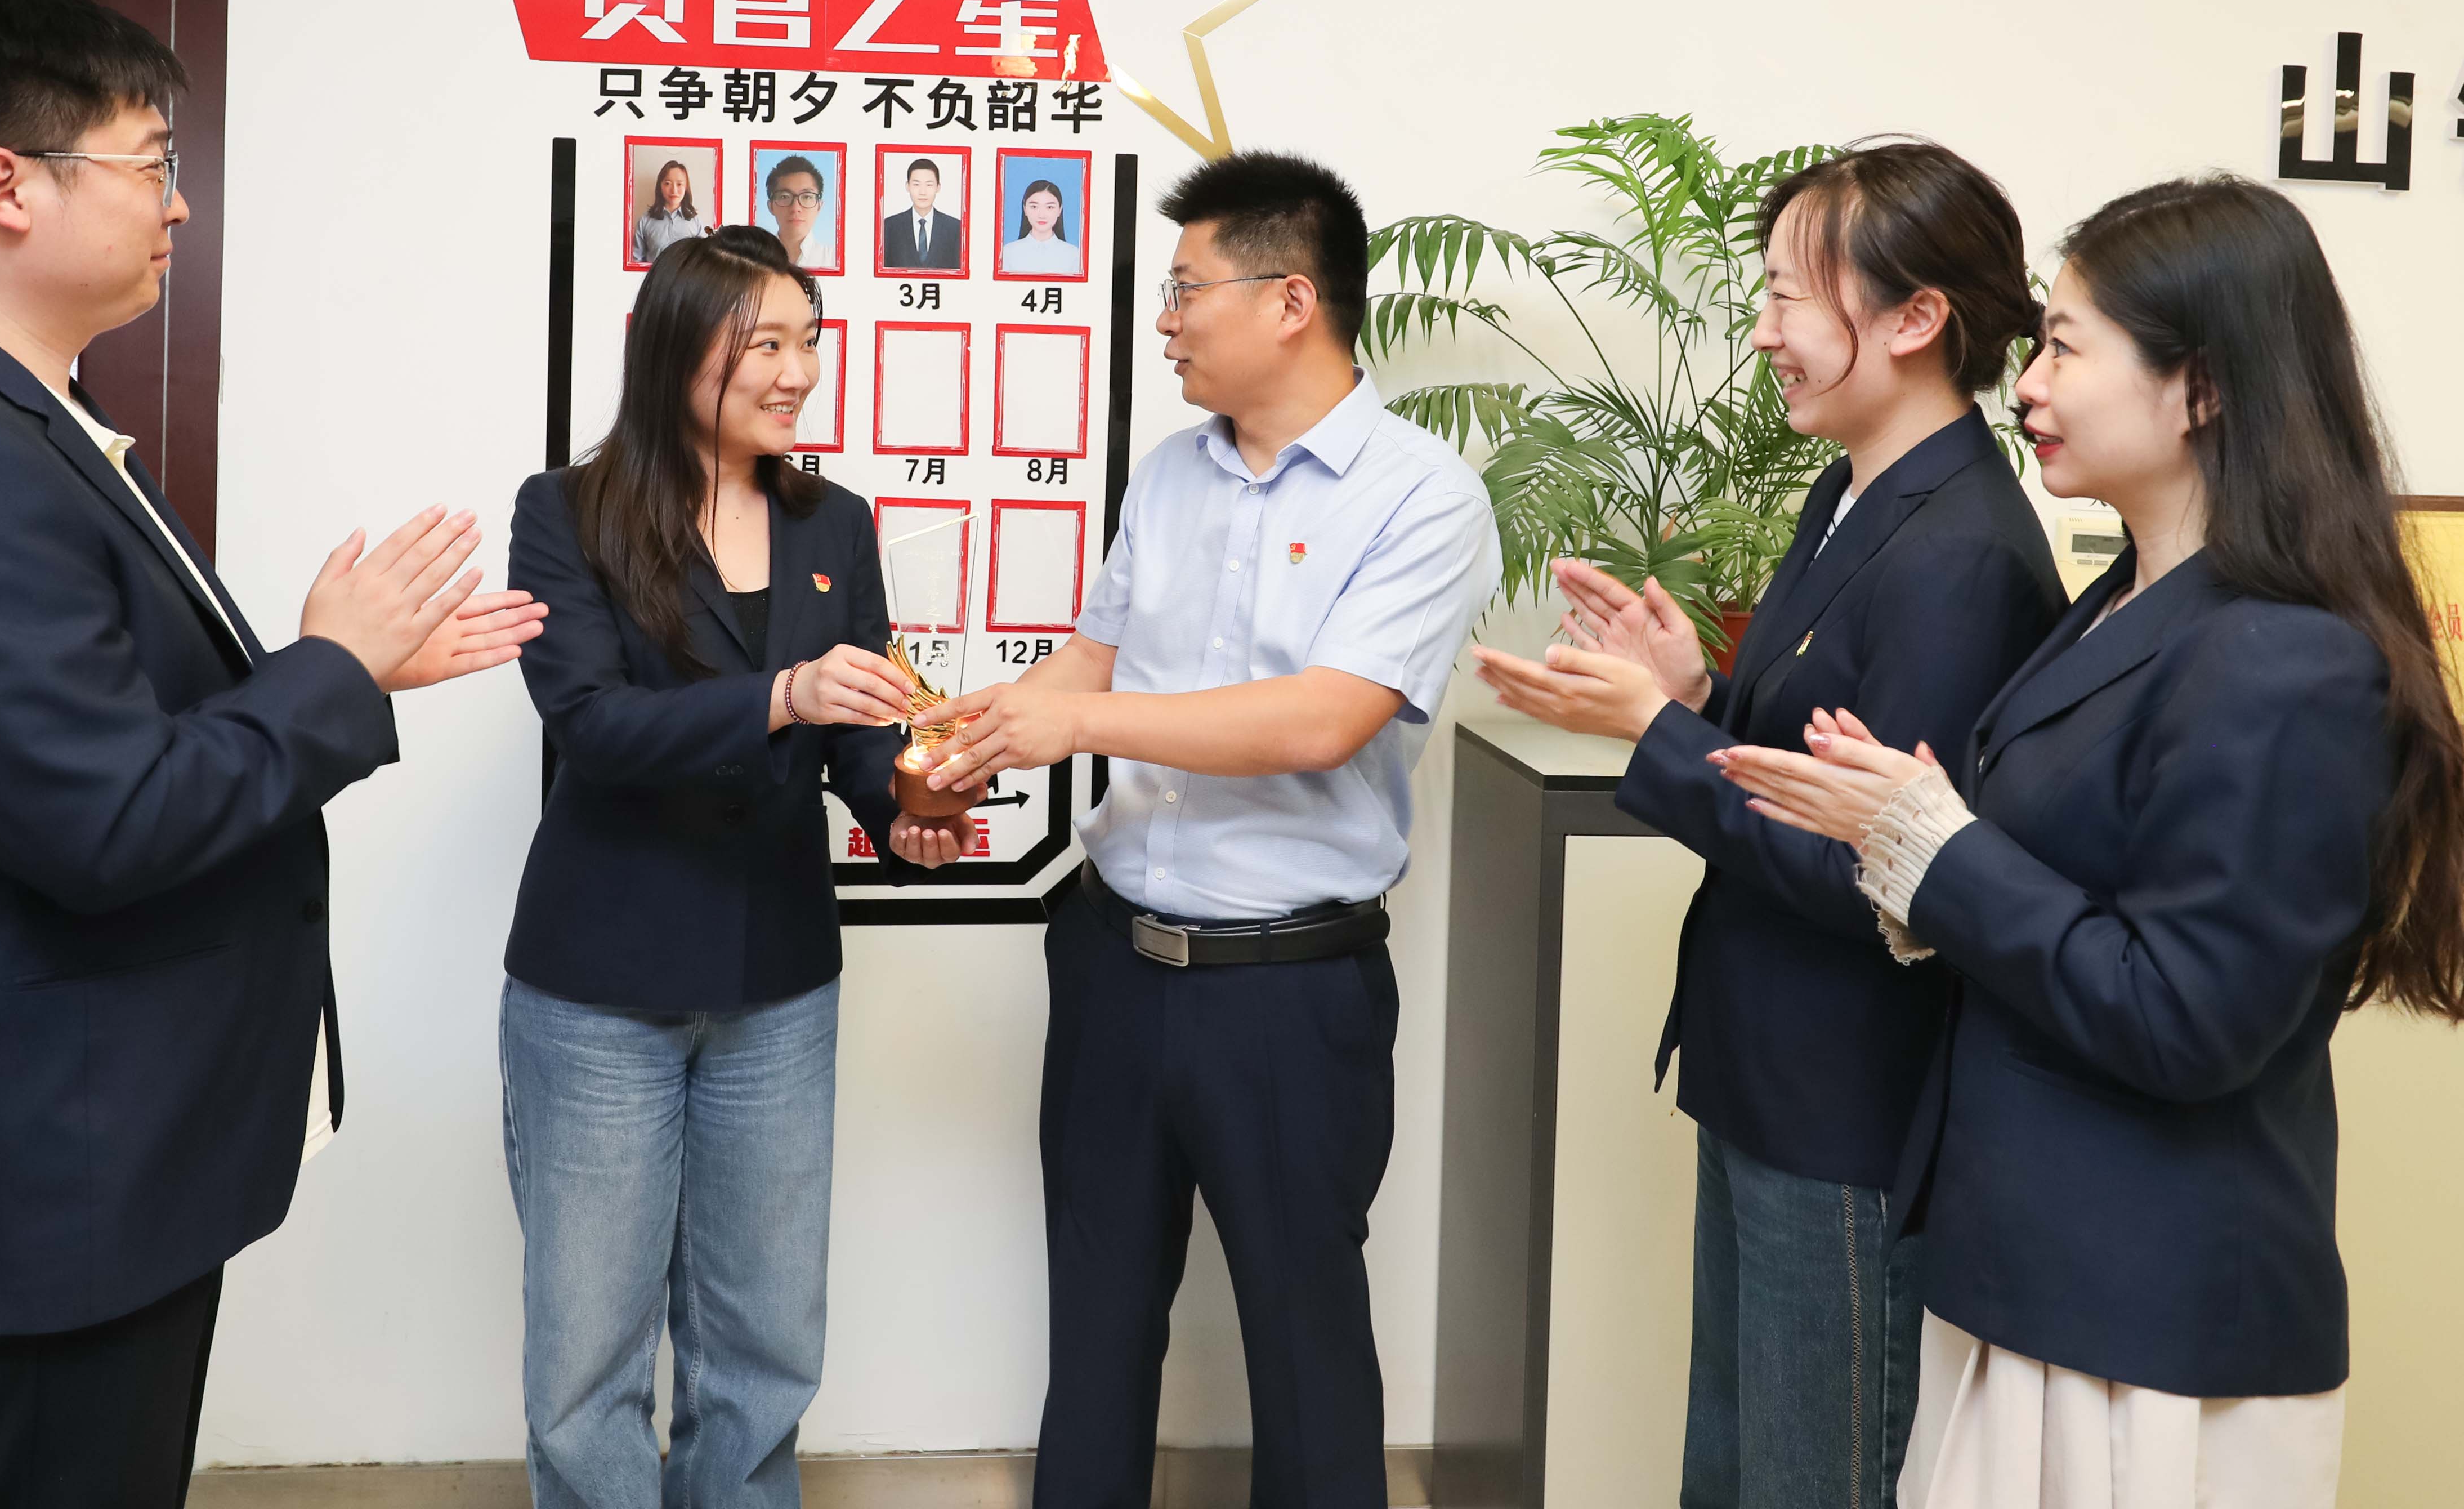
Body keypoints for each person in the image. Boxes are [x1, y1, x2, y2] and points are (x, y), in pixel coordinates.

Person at [0, 0, 543, 1509]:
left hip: (73, 1170)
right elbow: (107, 818)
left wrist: (343, 673)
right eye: (150, 163)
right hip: (26, 1193)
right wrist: (330, 671)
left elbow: (99, 739)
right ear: (6, 185)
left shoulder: (6, 414)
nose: (180, 205)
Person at [1714, 177, 2464, 1509]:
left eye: (2064, 349)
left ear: (2202, 387)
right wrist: (1911, 853)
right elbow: (2043, 882)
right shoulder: (2123, 600)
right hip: (2031, 1270)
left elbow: (2185, 1017)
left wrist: (1929, 852)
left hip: (2148, 1314)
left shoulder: (2287, 660)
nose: (2025, 386)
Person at [1472, 142, 2065, 1509]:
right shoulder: (1853, 491)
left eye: (1790, 295)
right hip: (1770, 1073)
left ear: (1915, 318)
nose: (1761, 332)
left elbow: (1879, 872)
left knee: (1813, 1475)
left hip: (1848, 1110)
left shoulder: (1964, 554)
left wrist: (1657, 732)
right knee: (1736, 1467)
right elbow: (1806, 769)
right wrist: (1692, 697)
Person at [911, 151, 1501, 1509]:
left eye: (1186, 291)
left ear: (1291, 301)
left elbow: (1322, 719)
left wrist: (1074, 723)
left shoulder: (1422, 495)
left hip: (1286, 991)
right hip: (1112, 965)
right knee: (1095, 1331)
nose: (1166, 322)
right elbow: (1095, 658)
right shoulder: (1170, 474)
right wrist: (968, 745)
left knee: (1305, 1352)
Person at [500, 225, 981, 1509]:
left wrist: (906, 808)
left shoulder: (837, 523)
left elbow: (859, 734)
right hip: (599, 985)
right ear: (675, 353)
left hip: (778, 983)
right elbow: (592, 726)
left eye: (807, 341)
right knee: (587, 1359)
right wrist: (779, 696)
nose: (796, 372)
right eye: (764, 343)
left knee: (763, 1342)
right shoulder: (567, 513)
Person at [880, 155, 962, 270]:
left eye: (929, 185)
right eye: (916, 184)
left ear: (938, 187)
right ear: (908, 186)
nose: (923, 192)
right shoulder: (888, 226)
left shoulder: (956, 228)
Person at [1002, 175, 1083, 278]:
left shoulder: (1074, 255)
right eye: (1034, 207)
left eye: (1050, 207)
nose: (1041, 215)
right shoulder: (1008, 253)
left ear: (1060, 210)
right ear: (1025, 209)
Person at [762, 151, 831, 267]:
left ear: (819, 206)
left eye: (807, 197)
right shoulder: (757, 260)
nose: (795, 208)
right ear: (771, 206)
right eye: (785, 197)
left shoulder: (832, 259)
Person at [633, 158, 706, 264]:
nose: (674, 190)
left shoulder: (696, 222)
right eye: (668, 183)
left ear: (686, 188)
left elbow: (702, 261)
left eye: (679, 184)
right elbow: (636, 261)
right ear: (660, 186)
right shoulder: (645, 221)